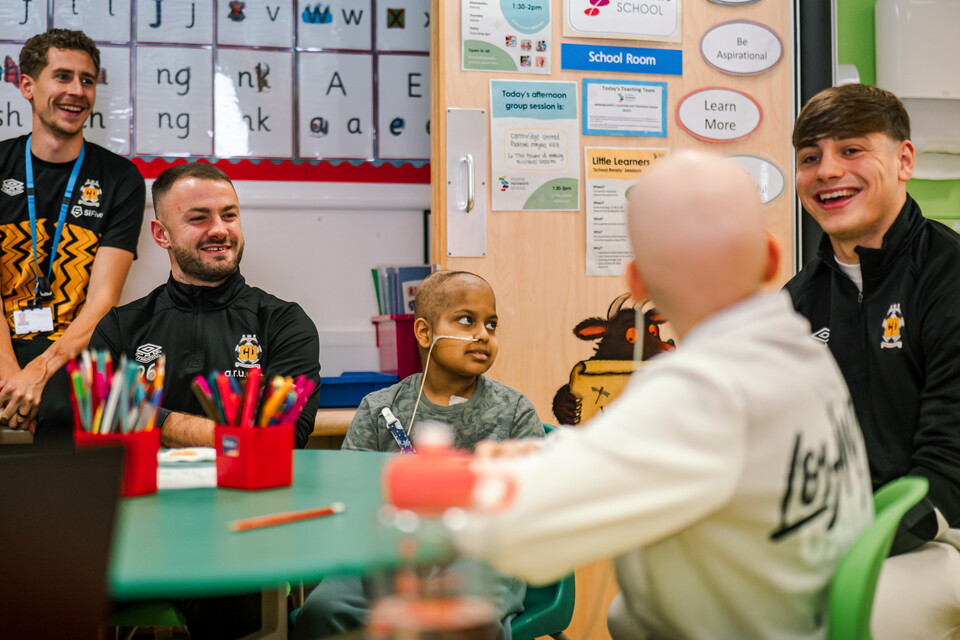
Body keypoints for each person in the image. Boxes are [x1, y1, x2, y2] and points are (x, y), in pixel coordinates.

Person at [455, 151, 874, 639]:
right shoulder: (806, 355)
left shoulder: (704, 388)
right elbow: (658, 447)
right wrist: (552, 455)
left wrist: (487, 475)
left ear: (638, 284)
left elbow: (510, 531)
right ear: (771, 257)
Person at [786, 83, 960, 640]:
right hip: (834, 535)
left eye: (852, 150)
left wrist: (849, 546)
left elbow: (948, 469)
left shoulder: (949, 276)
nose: (827, 171)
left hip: (941, 532)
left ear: (904, 160)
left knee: (826, 622)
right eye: (810, 157)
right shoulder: (794, 304)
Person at [291, 270, 544, 640]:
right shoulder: (380, 408)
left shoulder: (514, 410)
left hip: (480, 558)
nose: (483, 334)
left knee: (467, 620)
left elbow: (533, 504)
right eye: (466, 320)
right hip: (387, 555)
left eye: (491, 324)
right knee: (322, 610)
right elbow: (349, 497)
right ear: (425, 332)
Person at [90, 162, 321, 451]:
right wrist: (238, 434)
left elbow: (282, 441)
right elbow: (100, 423)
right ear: (161, 234)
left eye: (229, 215)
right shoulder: (120, 327)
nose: (219, 230)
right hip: (150, 482)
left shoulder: (284, 324)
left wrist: (145, 417)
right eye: (199, 218)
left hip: (245, 482)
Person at [0, 29, 145, 447]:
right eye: (63, 76)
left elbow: (103, 300)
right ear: (27, 86)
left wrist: (41, 371)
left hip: (74, 348)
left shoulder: (120, 179)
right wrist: (12, 378)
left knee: (68, 410)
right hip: (5, 344)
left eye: (87, 80)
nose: (77, 91)